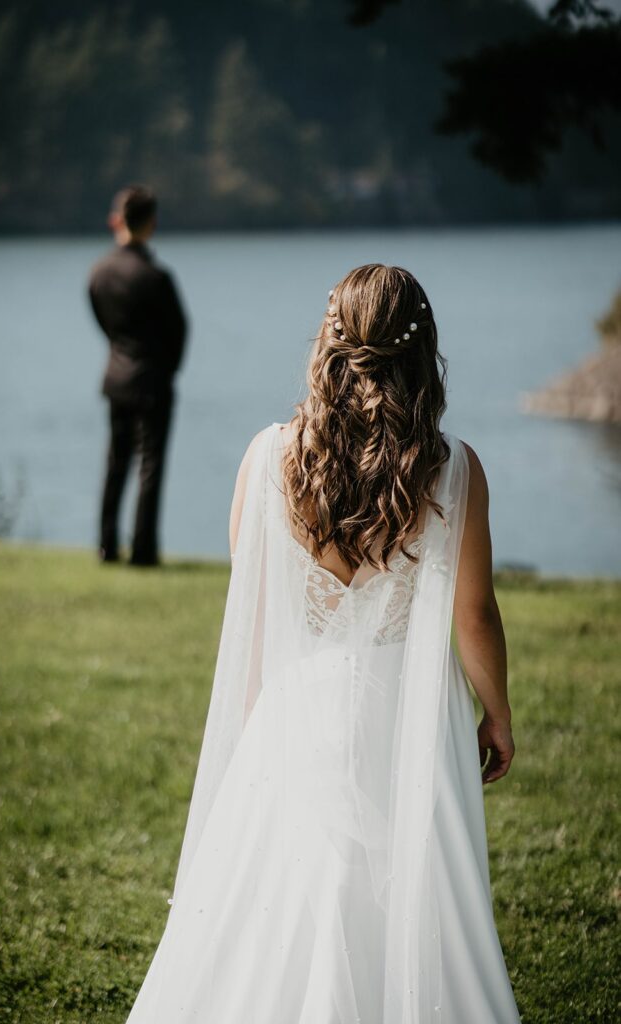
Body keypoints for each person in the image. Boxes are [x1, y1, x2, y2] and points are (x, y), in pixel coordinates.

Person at [124, 265, 521, 1023]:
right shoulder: (452, 469)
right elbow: (473, 616)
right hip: (405, 714)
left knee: (282, 890)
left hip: (293, 704)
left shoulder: (267, 457)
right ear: (422, 351)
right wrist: (496, 715)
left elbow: (255, 605)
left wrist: (250, 722)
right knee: (400, 895)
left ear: (329, 345)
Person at [88, 184, 187, 566]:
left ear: (116, 220)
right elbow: (179, 330)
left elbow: (103, 323)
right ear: (152, 223)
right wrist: (168, 368)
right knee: (150, 466)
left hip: (115, 377)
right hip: (152, 381)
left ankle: (106, 545)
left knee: (115, 463)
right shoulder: (156, 277)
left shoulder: (98, 273)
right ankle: (143, 550)